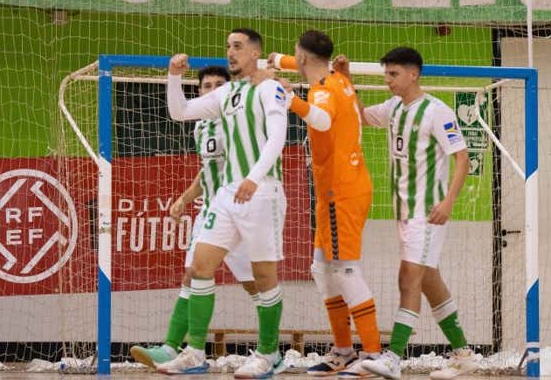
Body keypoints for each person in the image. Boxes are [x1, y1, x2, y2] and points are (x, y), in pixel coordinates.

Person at [158, 29, 290, 379]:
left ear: (255, 53)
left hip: (262, 191)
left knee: (263, 277)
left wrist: (255, 177)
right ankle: (195, 352)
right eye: (228, 47)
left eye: (238, 47)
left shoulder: (268, 87)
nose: (230, 52)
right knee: (200, 267)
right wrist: (174, 76)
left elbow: (278, 135)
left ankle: (268, 353)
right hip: (227, 194)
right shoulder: (227, 93)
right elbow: (179, 110)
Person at [339, 47, 477, 380]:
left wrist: (448, 202)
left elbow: (462, 159)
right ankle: (463, 354)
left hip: (427, 212)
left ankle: (394, 357)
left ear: (413, 74)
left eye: (393, 74)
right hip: (403, 211)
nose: (387, 80)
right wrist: (345, 80)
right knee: (430, 281)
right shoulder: (394, 108)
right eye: (386, 73)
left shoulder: (437, 111)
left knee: (408, 278)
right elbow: (359, 115)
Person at [267, 31, 385, 377]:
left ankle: (374, 355)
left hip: (341, 191)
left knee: (345, 271)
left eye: (294, 55)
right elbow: (298, 63)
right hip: (335, 190)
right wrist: (275, 61)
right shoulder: (334, 75)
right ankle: (343, 350)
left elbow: (321, 119)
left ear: (303, 58)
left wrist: (289, 100)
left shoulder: (322, 90)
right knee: (321, 269)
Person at [129, 65, 260, 370]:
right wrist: (185, 199)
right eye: (206, 86)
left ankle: (269, 348)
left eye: (218, 85)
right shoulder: (200, 126)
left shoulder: (240, 124)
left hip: (239, 215)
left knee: (257, 284)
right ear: (199, 92)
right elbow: (208, 171)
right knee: (192, 275)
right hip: (210, 214)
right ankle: (176, 349)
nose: (212, 90)